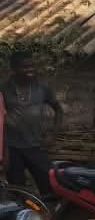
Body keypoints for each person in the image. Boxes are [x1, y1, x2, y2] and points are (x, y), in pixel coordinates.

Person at [2, 50, 63, 197]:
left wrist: (53, 135)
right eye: (25, 67)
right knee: (18, 190)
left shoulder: (42, 87)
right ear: (14, 68)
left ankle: (49, 217)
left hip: (37, 145)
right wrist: (3, 151)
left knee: (49, 186)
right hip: (12, 147)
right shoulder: (3, 89)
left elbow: (58, 109)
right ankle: (26, 218)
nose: (30, 70)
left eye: (32, 66)